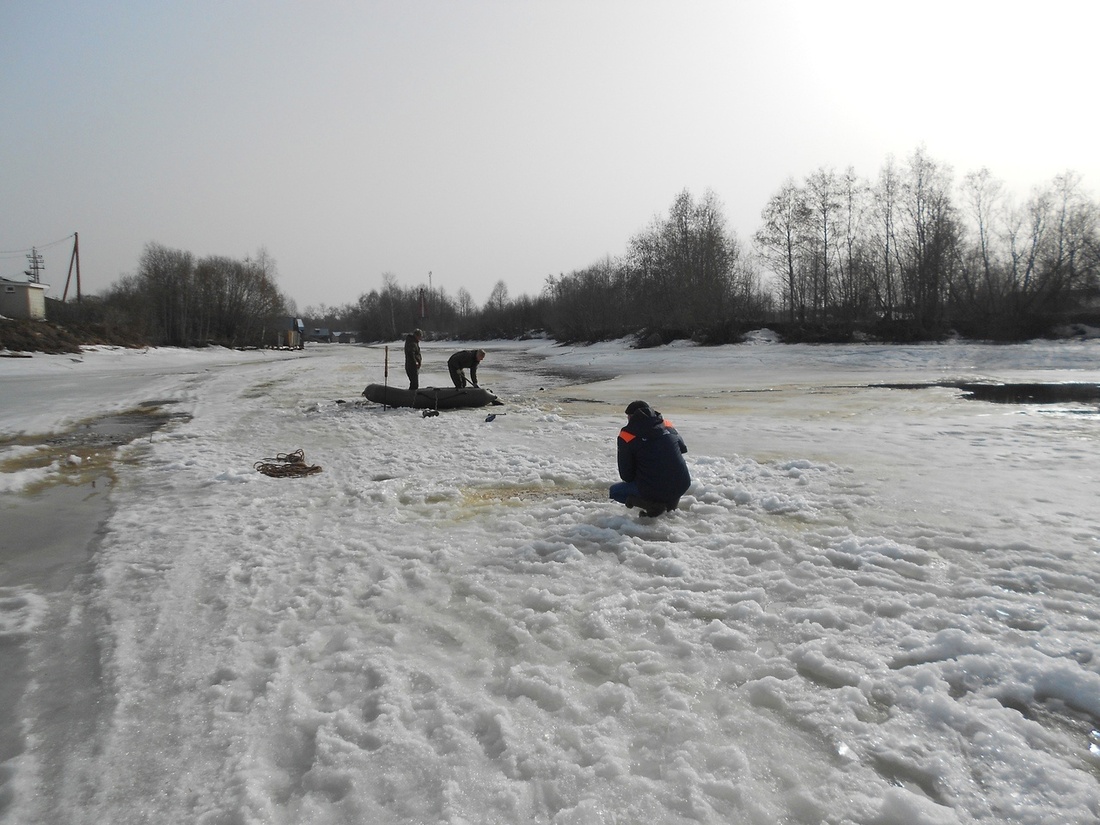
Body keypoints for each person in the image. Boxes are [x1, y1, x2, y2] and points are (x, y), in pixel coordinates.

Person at [609, 400, 691, 517]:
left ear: (631, 417)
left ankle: (653, 506)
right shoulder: (667, 425)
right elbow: (682, 448)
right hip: (682, 483)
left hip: (654, 488)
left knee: (615, 491)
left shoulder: (627, 435)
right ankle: (669, 504)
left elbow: (626, 475)